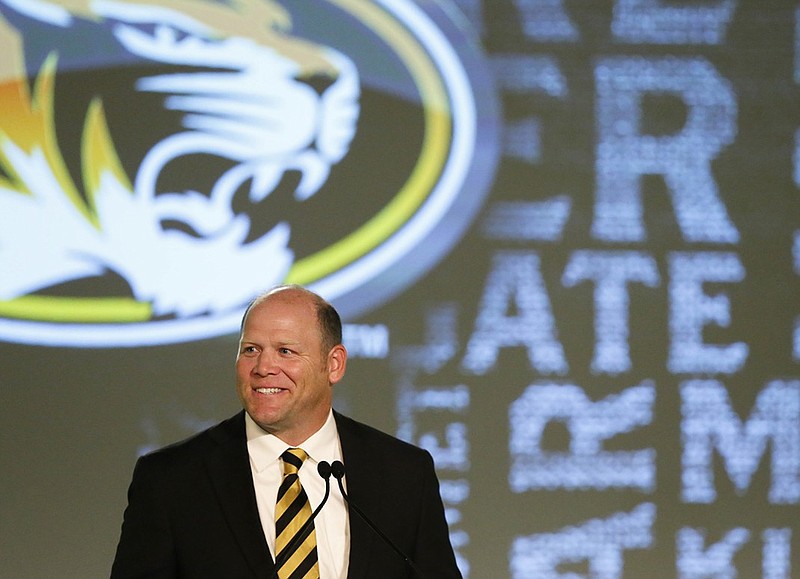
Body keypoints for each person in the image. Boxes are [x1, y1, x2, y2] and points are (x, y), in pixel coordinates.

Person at [110, 284, 461, 578]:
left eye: (285, 351)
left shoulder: (403, 474)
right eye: (251, 350)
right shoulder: (172, 481)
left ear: (333, 364)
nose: (263, 367)